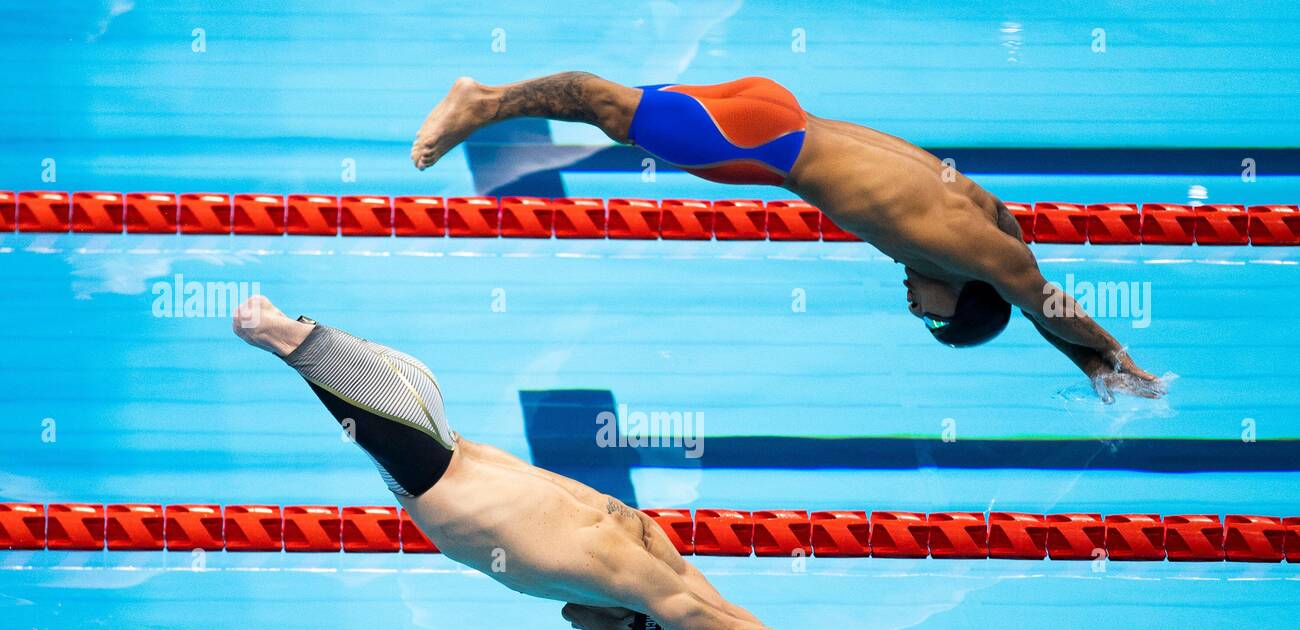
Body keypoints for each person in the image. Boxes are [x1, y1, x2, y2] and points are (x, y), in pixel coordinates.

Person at [231, 295, 899, 630]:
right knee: (258, 324)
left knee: (268, 328)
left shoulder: (646, 554)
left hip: (416, 415)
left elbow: (722, 615)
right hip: (404, 433)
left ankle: (282, 330)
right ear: (636, 628)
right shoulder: (623, 574)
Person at [411, 73, 1165, 402]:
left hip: (777, 110)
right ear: (968, 294)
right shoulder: (975, 256)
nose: (914, 310)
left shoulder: (978, 226)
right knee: (602, 103)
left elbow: (1028, 292)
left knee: (623, 107)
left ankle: (489, 103)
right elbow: (1042, 302)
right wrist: (1116, 360)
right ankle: (483, 102)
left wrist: (1087, 362)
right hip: (766, 145)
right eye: (934, 317)